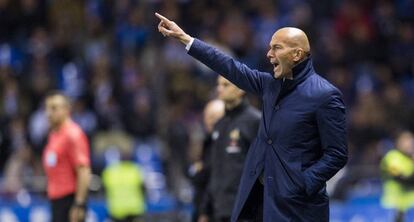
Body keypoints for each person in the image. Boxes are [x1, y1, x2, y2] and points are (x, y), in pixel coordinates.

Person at [155, 13, 348, 222]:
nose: (269, 54)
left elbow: (337, 154)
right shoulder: (270, 85)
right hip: (261, 200)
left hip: (300, 207)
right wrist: (186, 39)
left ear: (297, 54)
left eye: (277, 48)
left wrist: (303, 183)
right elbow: (229, 67)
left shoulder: (325, 95)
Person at [199, 76, 261, 222]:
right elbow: (215, 170)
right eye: (218, 85)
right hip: (219, 211)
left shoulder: (255, 121)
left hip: (246, 212)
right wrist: (205, 210)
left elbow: (262, 168)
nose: (220, 89)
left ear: (241, 89)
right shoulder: (220, 125)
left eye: (226, 85)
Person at [43, 91, 91, 222]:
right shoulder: (54, 135)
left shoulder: (73, 134)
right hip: (56, 200)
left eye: (54, 108)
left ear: (66, 110)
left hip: (69, 200)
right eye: (47, 108)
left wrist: (79, 204)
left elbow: (84, 170)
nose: (49, 113)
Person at [188, 99, 225, 222]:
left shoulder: (226, 145)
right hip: (201, 208)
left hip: (217, 211)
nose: (208, 121)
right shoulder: (207, 142)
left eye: (214, 117)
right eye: (206, 116)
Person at [102, 152, 146, 222]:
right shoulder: (136, 169)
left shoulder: (109, 171)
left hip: (116, 210)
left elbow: (103, 189)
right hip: (135, 209)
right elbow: (144, 188)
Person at [381, 131, 414, 222]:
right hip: (393, 205)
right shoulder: (392, 157)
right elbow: (401, 179)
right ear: (398, 142)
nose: (409, 144)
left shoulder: (410, 158)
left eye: (411, 141)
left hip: (410, 206)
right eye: (406, 140)